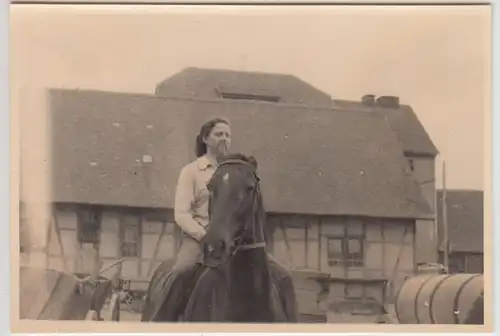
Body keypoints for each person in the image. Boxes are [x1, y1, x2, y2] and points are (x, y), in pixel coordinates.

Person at [153, 116, 295, 321]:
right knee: (181, 271)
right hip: (200, 239)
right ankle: (159, 324)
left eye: (228, 135)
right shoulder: (192, 171)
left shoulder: (234, 171)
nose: (224, 139)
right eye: (219, 134)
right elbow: (182, 214)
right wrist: (206, 236)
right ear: (205, 138)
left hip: (233, 241)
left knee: (284, 276)